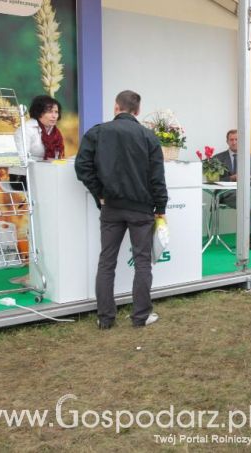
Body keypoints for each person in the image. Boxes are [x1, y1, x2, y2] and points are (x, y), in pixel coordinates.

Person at [75, 90, 168, 329]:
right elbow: (158, 177)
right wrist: (161, 206)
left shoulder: (97, 132)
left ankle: (105, 318)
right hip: (141, 209)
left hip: (112, 208)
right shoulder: (148, 136)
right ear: (137, 111)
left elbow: (82, 166)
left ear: (116, 107)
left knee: (107, 262)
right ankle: (140, 316)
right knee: (142, 262)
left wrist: (100, 194)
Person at [214, 129, 251, 250]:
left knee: (247, 193)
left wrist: (249, 179)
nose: (234, 142)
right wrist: (232, 178)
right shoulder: (218, 158)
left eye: (237, 139)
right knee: (247, 195)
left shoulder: (249, 158)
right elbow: (214, 181)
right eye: (231, 140)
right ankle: (248, 236)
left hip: (245, 194)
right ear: (227, 141)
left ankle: (247, 235)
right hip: (227, 195)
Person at [10, 95, 65, 189]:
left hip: (45, 173)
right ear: (39, 112)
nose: (54, 115)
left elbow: (55, 159)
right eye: (49, 111)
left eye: (56, 112)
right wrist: (45, 164)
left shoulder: (55, 133)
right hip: (22, 177)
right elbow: (21, 159)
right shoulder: (26, 129)